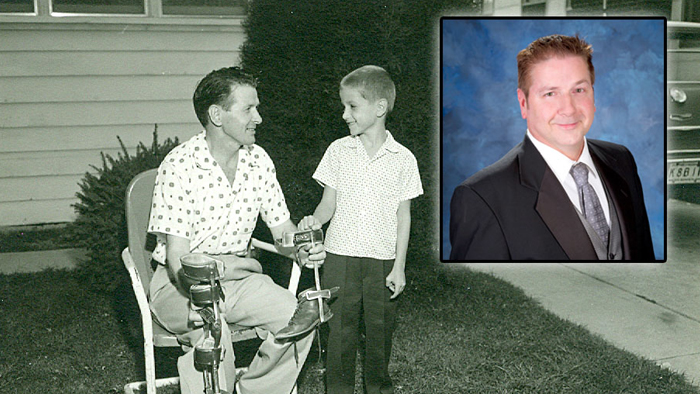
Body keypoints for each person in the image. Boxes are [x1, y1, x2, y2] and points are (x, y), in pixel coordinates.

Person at [147, 66, 330, 394]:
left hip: (240, 280)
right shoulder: (179, 166)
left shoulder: (258, 161)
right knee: (212, 331)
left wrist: (303, 248)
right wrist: (205, 299)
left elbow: (282, 231)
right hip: (180, 285)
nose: (258, 117)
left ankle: (256, 389)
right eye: (248, 109)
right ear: (217, 115)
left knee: (301, 318)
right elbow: (177, 258)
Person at [449, 34, 655, 261]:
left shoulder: (621, 160)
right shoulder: (482, 198)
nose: (568, 108)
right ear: (524, 103)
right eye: (550, 93)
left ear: (593, 94)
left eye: (579, 90)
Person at [298, 65, 423, 394]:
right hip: (339, 257)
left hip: (381, 262)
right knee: (339, 335)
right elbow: (328, 204)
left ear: (379, 108)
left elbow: (404, 216)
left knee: (380, 337)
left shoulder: (403, 159)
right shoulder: (339, 151)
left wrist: (399, 267)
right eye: (344, 106)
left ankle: (378, 389)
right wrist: (315, 220)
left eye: (352, 106)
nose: (344, 114)